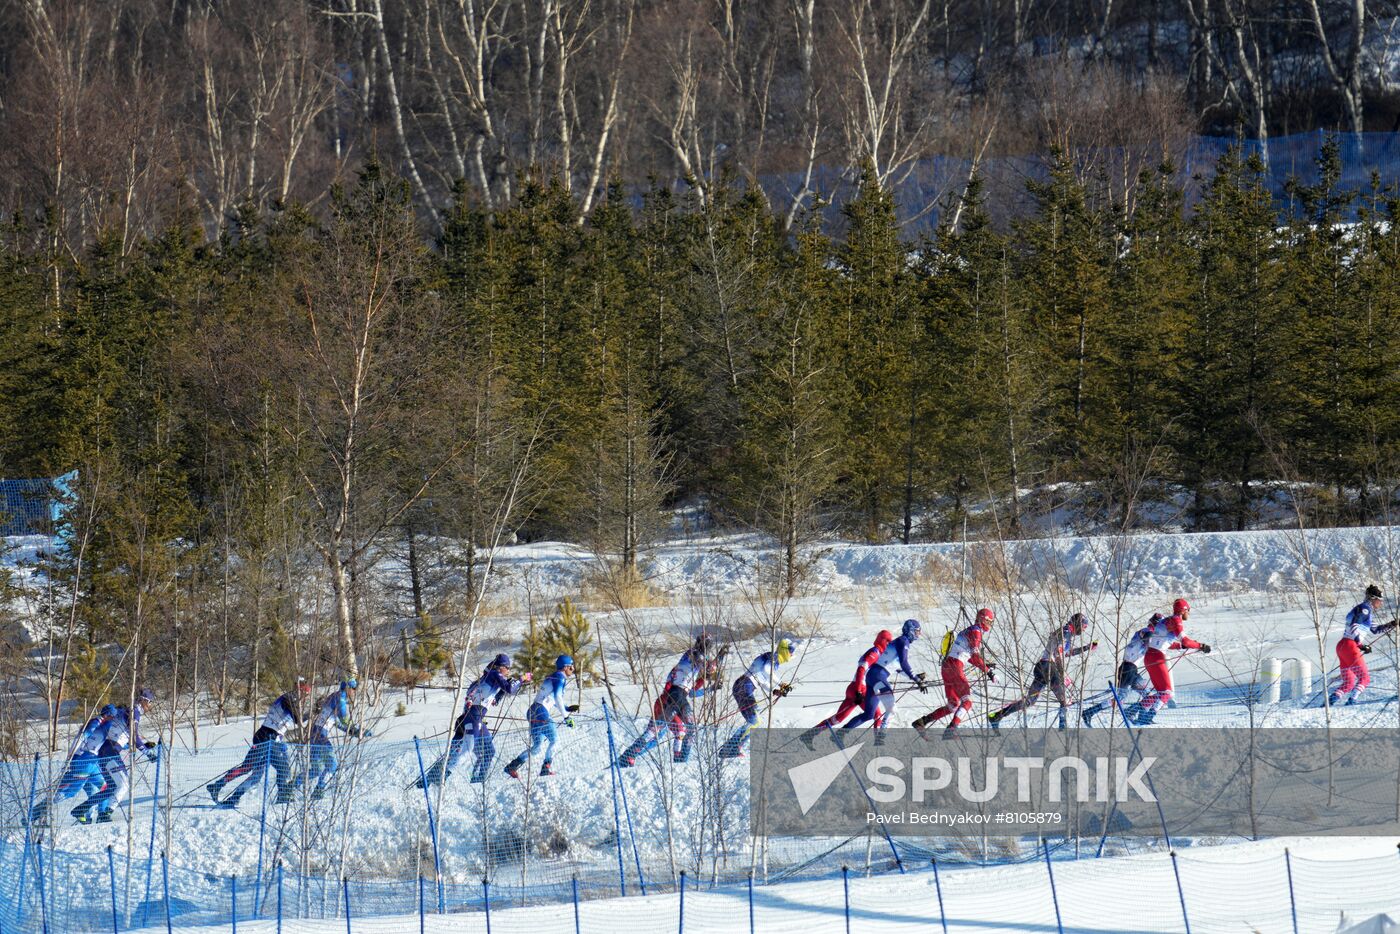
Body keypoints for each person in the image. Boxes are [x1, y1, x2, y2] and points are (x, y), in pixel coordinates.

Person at [416, 654, 529, 787]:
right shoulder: (494, 674)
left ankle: (478, 780)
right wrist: (521, 679)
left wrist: (503, 690)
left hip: (473, 718)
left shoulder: (488, 678)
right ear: (500, 667)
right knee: (467, 750)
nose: (508, 670)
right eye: (507, 667)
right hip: (473, 717)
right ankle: (442, 776)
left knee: (489, 751)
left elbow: (494, 700)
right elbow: (509, 688)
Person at [207, 681, 310, 809]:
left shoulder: (291, 700)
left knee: (257, 775)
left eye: (306, 695)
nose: (305, 697)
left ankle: (231, 797)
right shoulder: (287, 699)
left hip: (272, 738)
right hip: (266, 737)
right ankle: (218, 786)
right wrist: (310, 713)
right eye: (304, 694)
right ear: (298, 691)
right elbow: (297, 719)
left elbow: (294, 721)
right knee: (255, 767)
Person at [618, 635, 717, 768]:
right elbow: (707, 666)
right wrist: (717, 661)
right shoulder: (692, 654)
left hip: (675, 698)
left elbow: (692, 692)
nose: (707, 651)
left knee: (658, 733)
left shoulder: (692, 670)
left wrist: (709, 686)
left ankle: (630, 755)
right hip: (667, 699)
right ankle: (631, 755)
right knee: (662, 733)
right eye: (707, 646)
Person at [988, 613, 1097, 730]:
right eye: (1084, 627)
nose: (1084, 630)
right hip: (1049, 667)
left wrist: (1086, 648)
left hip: (1042, 667)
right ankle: (1063, 728)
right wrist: (1062, 674)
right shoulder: (1066, 633)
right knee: (1065, 697)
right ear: (1078, 624)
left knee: (1029, 701)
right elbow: (1058, 654)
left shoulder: (1065, 633)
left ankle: (996, 716)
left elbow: (1066, 653)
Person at [799, 631, 893, 749]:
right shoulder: (875, 652)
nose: (889, 644)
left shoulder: (879, 654)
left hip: (854, 688)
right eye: (888, 641)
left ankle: (808, 735)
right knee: (876, 715)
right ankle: (877, 745)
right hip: (860, 689)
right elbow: (861, 669)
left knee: (838, 718)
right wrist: (859, 690)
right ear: (883, 641)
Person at [77, 690, 158, 824]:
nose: (149, 706)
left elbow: (125, 736)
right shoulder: (134, 713)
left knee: (112, 786)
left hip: (104, 751)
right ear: (144, 701)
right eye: (150, 702)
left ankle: (83, 809)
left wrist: (144, 744)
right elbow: (133, 735)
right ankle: (105, 813)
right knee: (124, 784)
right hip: (110, 751)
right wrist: (146, 752)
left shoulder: (126, 711)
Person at [913, 608, 995, 738]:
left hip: (946, 667)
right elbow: (975, 654)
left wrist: (984, 666)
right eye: (990, 621)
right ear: (983, 619)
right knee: (967, 702)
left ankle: (921, 722)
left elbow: (971, 657)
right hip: (955, 667)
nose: (990, 625)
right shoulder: (976, 632)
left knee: (953, 705)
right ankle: (950, 731)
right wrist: (989, 672)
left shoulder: (969, 630)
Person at [842, 619, 926, 742]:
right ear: (911, 631)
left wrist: (916, 677)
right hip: (878, 677)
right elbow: (904, 663)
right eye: (917, 632)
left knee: (869, 714)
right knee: (892, 708)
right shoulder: (904, 641)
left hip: (872, 677)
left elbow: (898, 668)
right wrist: (916, 679)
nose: (918, 635)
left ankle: (842, 732)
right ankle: (881, 738)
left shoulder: (899, 643)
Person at [31, 704, 116, 825]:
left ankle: (99, 815)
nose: (113, 719)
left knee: (103, 787)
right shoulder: (95, 723)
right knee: (70, 792)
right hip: (82, 761)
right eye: (113, 717)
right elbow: (80, 739)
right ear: (107, 715)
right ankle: (35, 813)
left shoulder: (102, 724)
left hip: (90, 762)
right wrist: (70, 758)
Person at [1133, 599, 1208, 726]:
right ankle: (1146, 717)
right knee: (1167, 693)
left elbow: (1166, 642)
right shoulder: (1176, 620)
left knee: (1162, 693)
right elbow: (1186, 641)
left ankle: (1135, 710)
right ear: (1183, 610)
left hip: (1149, 656)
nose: (1188, 613)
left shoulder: (1166, 620)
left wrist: (1182, 646)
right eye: (1188, 610)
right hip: (1157, 657)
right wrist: (1201, 645)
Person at [503, 656, 579, 778]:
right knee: (555, 740)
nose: (573, 669)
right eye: (571, 666)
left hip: (533, 711)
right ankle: (545, 768)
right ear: (565, 667)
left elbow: (552, 700)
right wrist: (566, 717)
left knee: (537, 747)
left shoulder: (553, 676)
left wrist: (567, 708)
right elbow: (558, 697)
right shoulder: (560, 677)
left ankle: (512, 766)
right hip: (541, 711)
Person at [296, 679, 369, 801]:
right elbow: (344, 720)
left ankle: (291, 787)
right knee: (333, 765)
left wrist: (354, 732)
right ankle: (319, 790)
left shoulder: (334, 697)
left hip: (314, 734)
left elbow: (338, 723)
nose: (354, 692)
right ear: (348, 687)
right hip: (320, 734)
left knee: (316, 770)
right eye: (354, 688)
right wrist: (357, 730)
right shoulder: (340, 698)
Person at [720, 639, 794, 758]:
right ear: (784, 650)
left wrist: (774, 691)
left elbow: (762, 679)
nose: (792, 654)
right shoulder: (773, 658)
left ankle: (731, 747)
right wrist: (780, 683)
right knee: (754, 720)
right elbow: (766, 671)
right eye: (791, 650)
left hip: (744, 686)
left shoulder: (772, 659)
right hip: (744, 686)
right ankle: (731, 748)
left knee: (755, 720)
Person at [1081, 615, 1159, 727]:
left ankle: (1141, 717)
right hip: (1128, 669)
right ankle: (1089, 712)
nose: (1159, 627)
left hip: (1132, 669)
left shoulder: (1150, 634)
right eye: (1158, 624)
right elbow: (1147, 639)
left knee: (1146, 692)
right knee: (1119, 699)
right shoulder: (1147, 631)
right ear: (1154, 624)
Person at [1327, 585, 1397, 707]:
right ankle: (1352, 701)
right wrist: (1360, 644)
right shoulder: (1365, 609)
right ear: (1373, 598)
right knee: (1364, 678)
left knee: (1348, 682)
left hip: (1342, 646)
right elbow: (1354, 625)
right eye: (1380, 600)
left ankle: (1330, 702)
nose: (1381, 603)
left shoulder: (1365, 611)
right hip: (1351, 645)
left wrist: (1392, 624)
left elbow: (1376, 630)